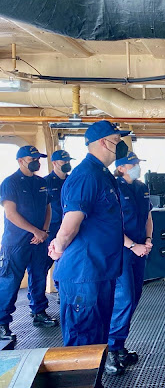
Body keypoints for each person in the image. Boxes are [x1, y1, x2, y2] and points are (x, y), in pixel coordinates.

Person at [48, 120, 130, 366]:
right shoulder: (86, 176)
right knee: (82, 342)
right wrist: (58, 247)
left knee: (97, 340)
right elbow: (70, 224)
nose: (122, 145)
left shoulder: (101, 174)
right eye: (117, 140)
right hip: (84, 275)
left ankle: (95, 380)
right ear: (104, 142)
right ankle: (80, 380)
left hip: (100, 270)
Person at [0, 145, 57, 343]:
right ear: (20, 161)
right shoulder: (10, 183)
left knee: (39, 277)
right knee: (10, 282)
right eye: (33, 159)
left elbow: (48, 208)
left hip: (39, 240)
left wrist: (45, 232)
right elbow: (10, 213)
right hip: (16, 242)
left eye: (38, 159)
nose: (37, 162)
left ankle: (39, 313)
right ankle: (2, 323)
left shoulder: (41, 182)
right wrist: (35, 231)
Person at [106, 152, 153, 376]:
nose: (137, 167)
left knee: (134, 297)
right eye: (133, 164)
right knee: (123, 299)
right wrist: (133, 245)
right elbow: (112, 224)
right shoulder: (113, 188)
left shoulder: (142, 187)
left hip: (140, 249)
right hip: (122, 250)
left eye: (138, 164)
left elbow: (148, 217)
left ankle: (120, 345)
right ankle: (110, 350)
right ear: (121, 168)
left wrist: (148, 239)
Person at [44, 149, 74, 274]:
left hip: (70, 227)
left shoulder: (73, 180)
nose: (67, 163)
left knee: (69, 264)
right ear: (55, 163)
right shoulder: (45, 182)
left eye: (68, 161)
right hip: (52, 228)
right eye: (63, 161)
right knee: (44, 265)